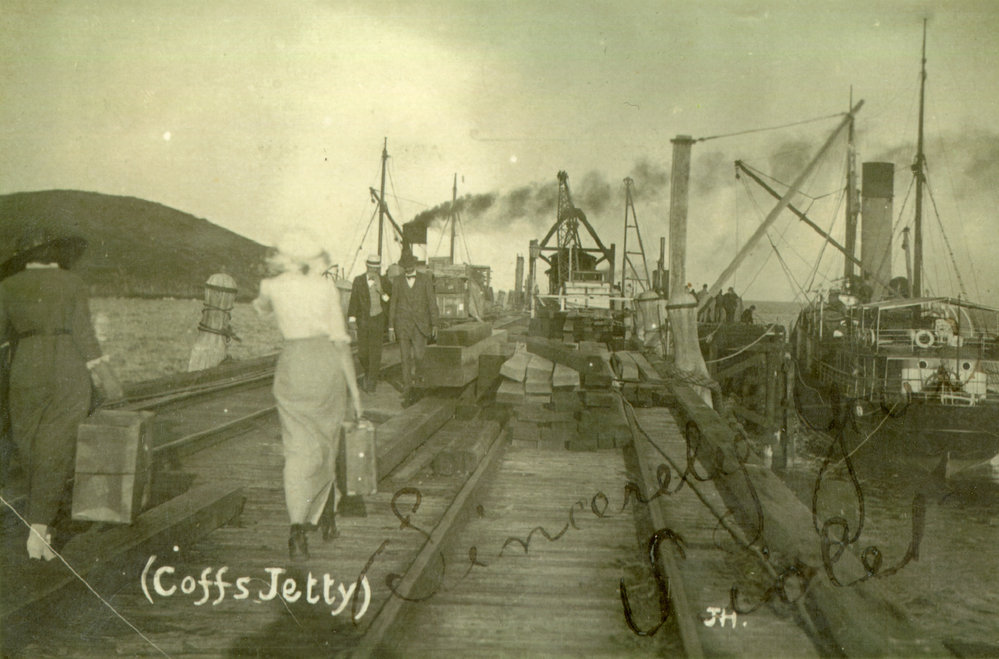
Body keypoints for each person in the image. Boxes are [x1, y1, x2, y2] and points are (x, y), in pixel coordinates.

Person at [0, 228, 122, 561]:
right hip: (69, 369)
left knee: (29, 444)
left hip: (26, 369)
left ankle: (38, 523)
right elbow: (86, 336)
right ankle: (40, 530)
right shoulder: (73, 284)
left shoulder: (7, 287)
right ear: (56, 255)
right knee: (57, 447)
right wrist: (106, 377)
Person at [253, 228, 363, 561]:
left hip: (292, 366)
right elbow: (340, 343)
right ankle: (326, 513)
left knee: (296, 450)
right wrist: (356, 395)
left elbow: (260, 309)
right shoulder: (325, 287)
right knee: (325, 447)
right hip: (325, 367)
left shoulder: (271, 286)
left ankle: (297, 529)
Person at [389, 251, 438, 402]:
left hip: (420, 326)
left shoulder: (425, 280)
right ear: (403, 267)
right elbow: (393, 304)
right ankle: (407, 388)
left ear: (415, 265)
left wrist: (435, 323)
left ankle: (420, 386)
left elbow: (432, 302)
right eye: (406, 266)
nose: (408, 269)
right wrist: (391, 327)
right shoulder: (397, 281)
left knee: (419, 357)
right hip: (402, 325)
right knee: (405, 358)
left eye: (411, 266)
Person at [347, 254, 392, 392]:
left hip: (378, 319)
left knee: (375, 353)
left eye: (376, 268)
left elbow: (389, 301)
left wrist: (381, 291)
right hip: (363, 321)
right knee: (362, 354)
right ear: (367, 266)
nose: (374, 271)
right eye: (371, 268)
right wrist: (352, 320)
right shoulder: (358, 281)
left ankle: (371, 384)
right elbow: (354, 300)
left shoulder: (384, 282)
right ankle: (368, 372)